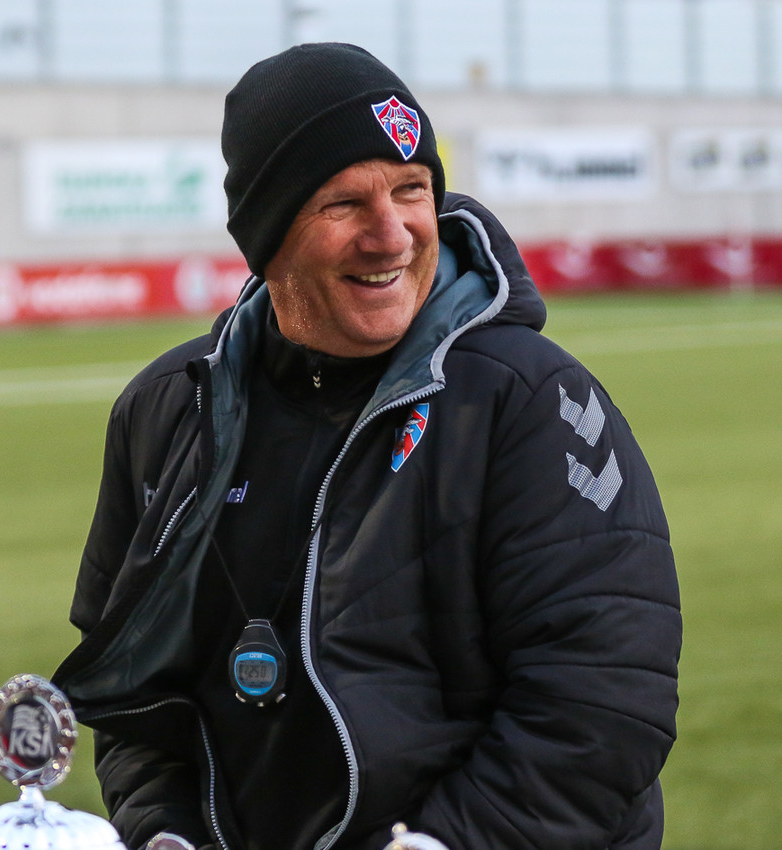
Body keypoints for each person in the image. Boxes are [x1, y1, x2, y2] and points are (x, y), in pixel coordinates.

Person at [53, 42, 682, 850]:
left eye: (412, 190)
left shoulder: (529, 399)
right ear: (267, 231)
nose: (392, 236)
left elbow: (602, 700)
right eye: (344, 203)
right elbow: (134, 695)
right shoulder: (166, 410)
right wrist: (167, 836)